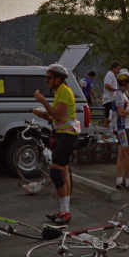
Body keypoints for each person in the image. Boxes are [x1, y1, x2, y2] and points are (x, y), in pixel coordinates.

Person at [32, 63, 81, 225]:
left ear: (58, 79)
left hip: (68, 136)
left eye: (49, 78)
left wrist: (44, 102)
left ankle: (65, 211)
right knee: (64, 173)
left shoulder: (64, 92)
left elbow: (58, 115)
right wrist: (42, 113)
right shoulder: (59, 91)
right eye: (45, 77)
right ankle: (64, 211)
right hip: (61, 134)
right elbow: (53, 117)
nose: (46, 81)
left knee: (55, 173)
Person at [101, 61, 121, 130]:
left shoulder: (112, 75)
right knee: (108, 118)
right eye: (117, 69)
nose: (118, 71)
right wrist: (116, 90)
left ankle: (107, 133)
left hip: (111, 99)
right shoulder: (110, 75)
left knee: (110, 118)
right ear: (113, 67)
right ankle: (104, 134)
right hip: (109, 99)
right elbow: (107, 85)